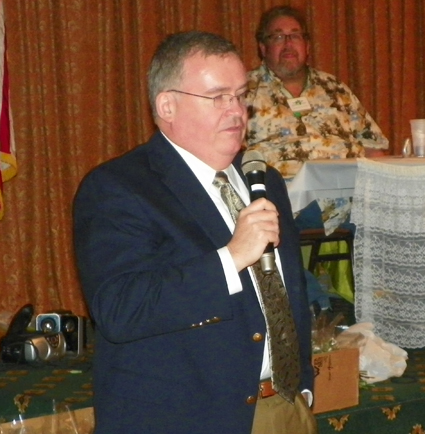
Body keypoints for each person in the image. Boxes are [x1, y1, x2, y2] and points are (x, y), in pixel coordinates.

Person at [73, 31, 317, 434]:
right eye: (218, 97)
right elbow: (120, 309)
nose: (237, 111)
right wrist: (232, 257)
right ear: (167, 105)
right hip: (186, 418)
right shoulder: (119, 188)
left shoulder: (263, 179)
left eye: (241, 95)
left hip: (285, 408)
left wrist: (302, 388)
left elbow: (291, 291)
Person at [246, 5, 389, 234]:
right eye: (278, 36)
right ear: (263, 47)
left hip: (352, 201)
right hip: (288, 206)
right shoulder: (244, 93)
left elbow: (375, 150)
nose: (288, 43)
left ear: (307, 45)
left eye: (295, 35)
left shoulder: (335, 89)